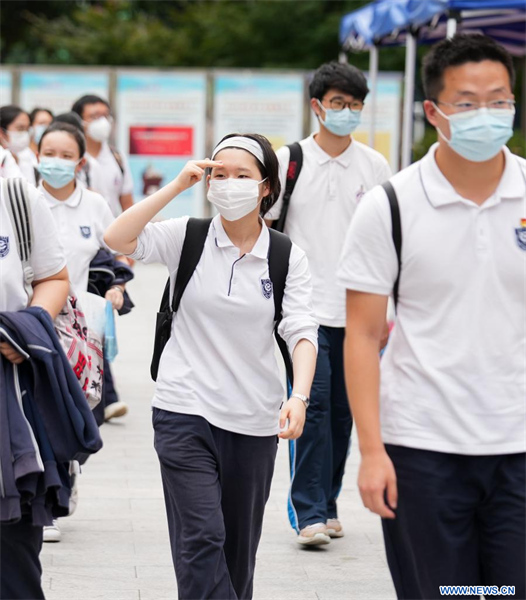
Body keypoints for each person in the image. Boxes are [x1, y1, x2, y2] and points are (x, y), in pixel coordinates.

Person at [338, 34, 525, 599]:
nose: (486, 114)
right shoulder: (391, 205)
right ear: (434, 111)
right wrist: (371, 453)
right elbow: (363, 335)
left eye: (499, 99)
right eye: (467, 102)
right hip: (422, 449)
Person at [105, 133, 318, 600]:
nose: (229, 183)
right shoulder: (187, 236)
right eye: (219, 173)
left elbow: (301, 330)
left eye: (242, 175)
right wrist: (175, 186)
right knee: (201, 539)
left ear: (266, 187)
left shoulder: (285, 256)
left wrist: (298, 396)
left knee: (238, 554)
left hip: (254, 420)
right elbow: (117, 237)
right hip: (184, 410)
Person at [265, 61, 392, 546]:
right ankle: (308, 511)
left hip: (358, 312)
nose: (347, 112)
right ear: (317, 106)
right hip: (305, 309)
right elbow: (264, 228)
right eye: (338, 103)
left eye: (355, 105)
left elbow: (386, 241)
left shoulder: (374, 166)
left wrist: (387, 311)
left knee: (344, 413)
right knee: (312, 407)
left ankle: (330, 501)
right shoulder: (289, 159)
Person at [36, 121, 128, 542]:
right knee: (36, 408)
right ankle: (44, 502)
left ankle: (67, 468)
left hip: (81, 328)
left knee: (77, 411)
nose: (56, 162)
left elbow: (114, 255)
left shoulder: (93, 205)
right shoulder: (20, 203)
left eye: (65, 155)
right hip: (32, 322)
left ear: (80, 161)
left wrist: (115, 288)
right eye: (48, 153)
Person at [0, 177, 69, 599]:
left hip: (7, 395)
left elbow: (54, 278)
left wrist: (23, 330)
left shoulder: (14, 195)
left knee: (12, 544)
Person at [72, 94, 134, 217]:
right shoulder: (72, 157)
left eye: (105, 116)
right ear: (79, 121)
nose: (102, 122)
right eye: (94, 116)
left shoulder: (117, 157)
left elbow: (127, 205)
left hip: (110, 230)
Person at [0, 105, 37, 185]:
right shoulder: (3, 156)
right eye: (20, 129)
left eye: (27, 129)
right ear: (2, 132)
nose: (25, 134)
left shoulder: (27, 155)